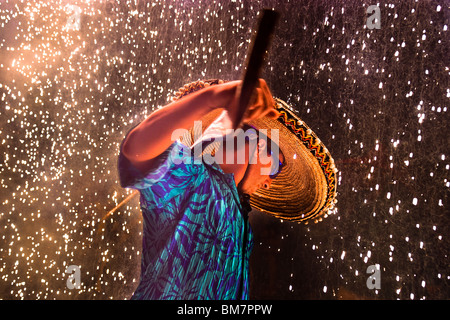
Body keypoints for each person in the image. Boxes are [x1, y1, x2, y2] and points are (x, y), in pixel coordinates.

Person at [118, 79, 338, 300]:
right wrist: (214, 97)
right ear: (256, 143)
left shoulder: (241, 222)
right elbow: (135, 149)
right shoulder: (193, 178)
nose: (269, 182)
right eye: (275, 167)